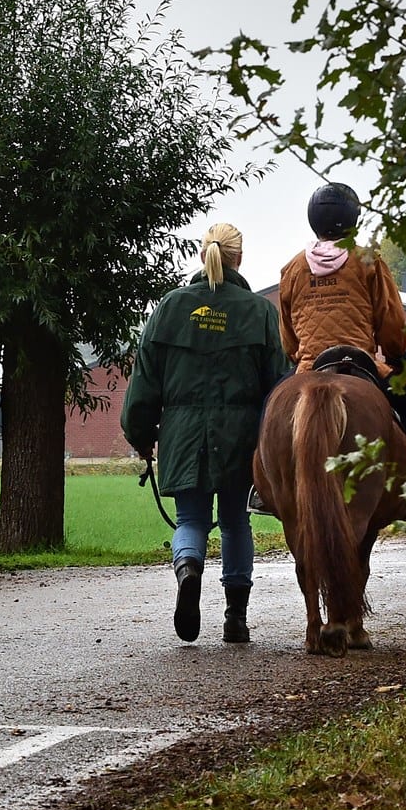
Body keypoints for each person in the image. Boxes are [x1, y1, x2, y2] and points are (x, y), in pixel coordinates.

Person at [123, 223, 292, 645]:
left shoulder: (169, 308)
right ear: (239, 258)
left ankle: (189, 571)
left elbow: (144, 381)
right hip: (242, 437)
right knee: (235, 521)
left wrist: (140, 434)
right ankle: (235, 618)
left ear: (204, 255)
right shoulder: (259, 312)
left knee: (191, 519)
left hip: (182, 434)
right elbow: (278, 385)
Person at [276, 182, 406, 458]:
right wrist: (397, 354)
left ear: (313, 221)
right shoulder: (368, 261)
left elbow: (287, 331)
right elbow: (390, 318)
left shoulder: (293, 269)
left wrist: (297, 356)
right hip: (361, 361)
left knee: (269, 409)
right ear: (353, 220)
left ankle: (261, 488)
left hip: (309, 364)